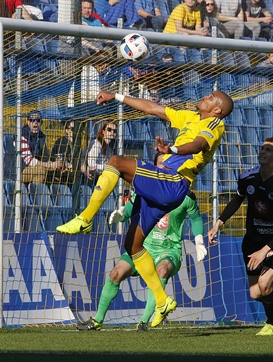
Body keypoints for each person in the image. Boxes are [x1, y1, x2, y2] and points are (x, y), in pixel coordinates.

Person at [56, 89, 233, 327]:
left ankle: (86, 218)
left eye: (212, 97)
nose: (206, 97)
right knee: (133, 245)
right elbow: (152, 108)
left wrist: (172, 150)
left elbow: (199, 145)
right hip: (165, 187)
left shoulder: (214, 124)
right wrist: (116, 96)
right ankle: (162, 301)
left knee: (116, 162)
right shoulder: (190, 117)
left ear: (217, 109)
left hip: (173, 181)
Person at [78, 155, 207, 332]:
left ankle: (143, 322)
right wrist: (122, 215)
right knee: (116, 273)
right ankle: (97, 321)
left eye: (168, 161)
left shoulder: (185, 194)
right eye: (161, 162)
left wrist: (199, 240)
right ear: (155, 166)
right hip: (142, 246)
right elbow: (130, 209)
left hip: (168, 249)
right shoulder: (146, 188)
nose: (165, 165)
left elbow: (195, 219)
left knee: (162, 269)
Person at [207, 137, 273, 336]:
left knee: (264, 285)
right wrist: (218, 223)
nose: (263, 152)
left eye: (269, 150)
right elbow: (237, 200)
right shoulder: (248, 176)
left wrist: (265, 251)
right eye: (262, 148)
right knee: (256, 293)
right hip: (254, 238)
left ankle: (271, 325)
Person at [19, 110, 63, 184]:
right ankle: (36, 193)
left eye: (38, 120)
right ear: (28, 121)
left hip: (34, 168)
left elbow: (45, 157)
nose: (35, 122)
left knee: (58, 172)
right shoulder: (21, 135)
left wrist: (55, 164)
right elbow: (28, 160)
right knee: (41, 170)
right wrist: (48, 165)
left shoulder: (41, 137)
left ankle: (35, 193)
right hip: (19, 170)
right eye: (32, 120)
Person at [48, 120, 81, 185]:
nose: (74, 131)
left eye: (76, 129)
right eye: (72, 129)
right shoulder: (61, 142)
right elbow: (59, 161)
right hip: (60, 174)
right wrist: (70, 166)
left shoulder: (77, 143)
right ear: (67, 130)